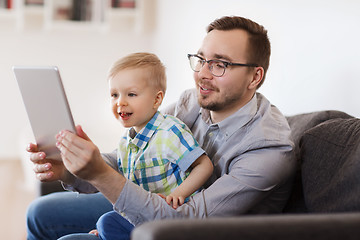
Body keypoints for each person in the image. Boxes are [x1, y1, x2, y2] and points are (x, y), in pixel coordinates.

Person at [26, 15, 296, 240]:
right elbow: (134, 156)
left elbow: (183, 223)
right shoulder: (192, 102)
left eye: (220, 65)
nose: (202, 73)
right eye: (201, 59)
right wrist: (71, 170)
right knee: (38, 213)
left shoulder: (268, 149)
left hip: (185, 227)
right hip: (159, 197)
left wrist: (99, 174)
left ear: (255, 76)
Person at [90, 52, 213, 239]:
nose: (120, 102)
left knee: (106, 222)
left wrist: (180, 193)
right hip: (142, 217)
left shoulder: (170, 131)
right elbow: (128, 194)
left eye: (131, 94)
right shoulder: (126, 142)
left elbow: (204, 165)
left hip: (171, 222)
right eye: (114, 95)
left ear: (156, 100)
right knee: (105, 223)